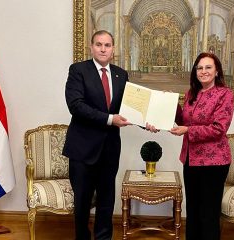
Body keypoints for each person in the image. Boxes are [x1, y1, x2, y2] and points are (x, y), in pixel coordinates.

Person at [63, 30, 131, 240]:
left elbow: (129, 107)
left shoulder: (121, 74)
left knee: (106, 201)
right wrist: (110, 119)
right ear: (91, 47)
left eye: (107, 45)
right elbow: (76, 106)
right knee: (82, 202)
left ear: (113, 49)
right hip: (83, 149)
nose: (103, 49)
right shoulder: (78, 70)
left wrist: (148, 118)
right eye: (99, 44)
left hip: (110, 149)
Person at [169, 52, 234, 240]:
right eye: (199, 68)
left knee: (208, 214)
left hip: (214, 162)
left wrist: (187, 131)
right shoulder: (192, 94)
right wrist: (172, 104)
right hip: (190, 159)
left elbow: (218, 128)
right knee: (193, 211)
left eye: (208, 67)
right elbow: (183, 121)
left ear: (216, 71)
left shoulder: (225, 94)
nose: (203, 71)